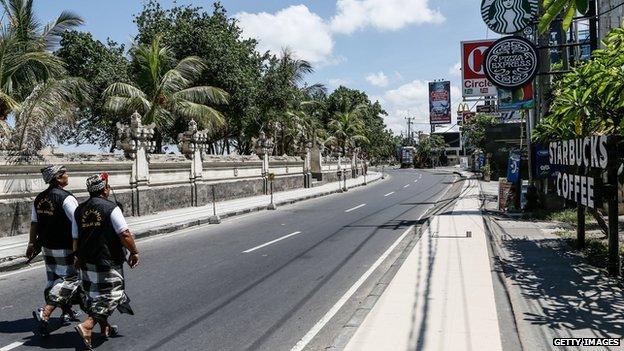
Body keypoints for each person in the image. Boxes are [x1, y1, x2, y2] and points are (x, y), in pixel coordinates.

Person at [74, 173, 139, 349]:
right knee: (113, 295)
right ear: (105, 189)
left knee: (95, 295)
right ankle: (87, 326)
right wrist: (134, 252)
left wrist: (77, 257)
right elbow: (124, 234)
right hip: (108, 259)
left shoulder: (79, 210)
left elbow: (75, 238)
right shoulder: (111, 208)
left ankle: (105, 328)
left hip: (87, 259)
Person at [27, 165, 81, 335]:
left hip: (47, 247)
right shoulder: (66, 198)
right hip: (65, 247)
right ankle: (46, 311)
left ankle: (66, 312)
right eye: (65, 174)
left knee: (55, 280)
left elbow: (34, 223)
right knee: (70, 280)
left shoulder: (40, 198)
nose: (67, 175)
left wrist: (31, 243)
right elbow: (78, 223)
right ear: (58, 178)